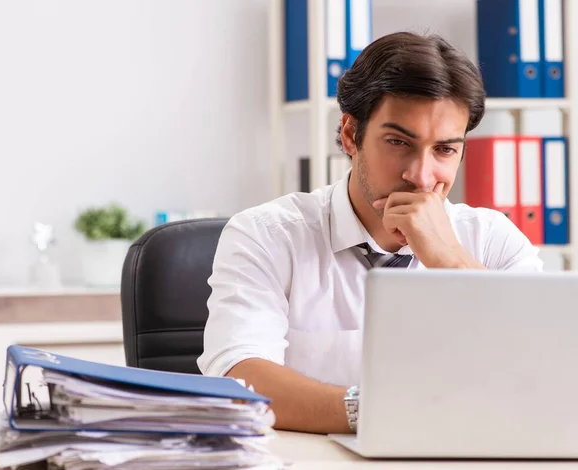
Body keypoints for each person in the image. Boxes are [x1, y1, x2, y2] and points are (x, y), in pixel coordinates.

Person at [197, 31, 543, 435]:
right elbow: (239, 378)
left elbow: (542, 368)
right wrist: (380, 414)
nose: (421, 175)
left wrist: (450, 261)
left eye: (445, 150)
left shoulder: (493, 241)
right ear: (350, 135)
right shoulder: (267, 235)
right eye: (398, 142)